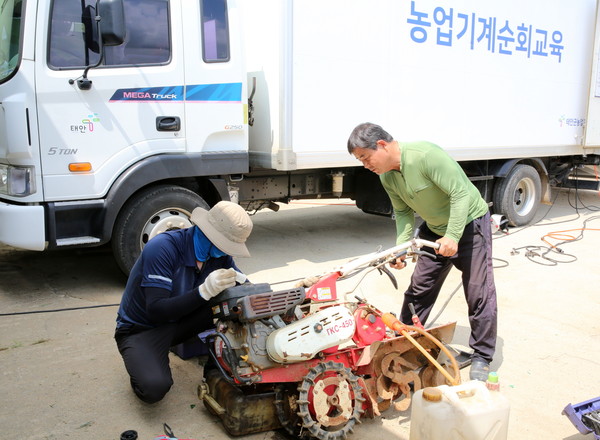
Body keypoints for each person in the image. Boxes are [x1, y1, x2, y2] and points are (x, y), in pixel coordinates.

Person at [347, 122, 497, 381]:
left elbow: (460, 194)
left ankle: (482, 355)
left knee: (478, 292)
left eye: (366, 157)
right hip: (434, 230)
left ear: (381, 145)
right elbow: (404, 212)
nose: (366, 165)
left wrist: (452, 236)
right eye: (361, 160)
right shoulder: (387, 176)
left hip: (471, 225)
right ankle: (405, 343)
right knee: (419, 289)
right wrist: (401, 248)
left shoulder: (426, 155)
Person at [114, 201, 253, 403]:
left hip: (180, 322)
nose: (226, 252)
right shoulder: (163, 248)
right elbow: (156, 311)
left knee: (233, 302)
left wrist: (285, 292)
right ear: (208, 232)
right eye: (225, 245)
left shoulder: (219, 255)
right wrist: (204, 291)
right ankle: (144, 358)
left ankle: (215, 354)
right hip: (142, 329)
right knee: (154, 388)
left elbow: (245, 290)